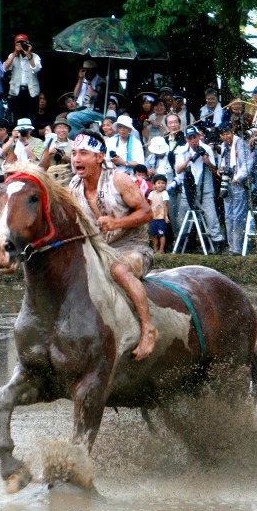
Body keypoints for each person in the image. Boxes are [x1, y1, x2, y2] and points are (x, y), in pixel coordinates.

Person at [65, 131, 158, 358]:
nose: (76, 159)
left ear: (99, 157)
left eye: (84, 153)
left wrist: (117, 222)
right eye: (74, 153)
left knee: (119, 269)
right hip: (97, 250)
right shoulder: (74, 186)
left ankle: (148, 329)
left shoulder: (119, 179)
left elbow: (147, 213)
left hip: (132, 247)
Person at [172, 125, 228, 251]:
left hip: (205, 188)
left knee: (211, 216)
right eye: (190, 138)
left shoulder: (207, 148)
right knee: (183, 217)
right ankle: (182, 242)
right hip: (188, 189)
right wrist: (188, 160)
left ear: (199, 136)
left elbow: (215, 170)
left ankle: (217, 242)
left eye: (195, 137)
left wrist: (207, 160)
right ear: (186, 139)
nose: (193, 140)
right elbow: (178, 170)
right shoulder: (182, 150)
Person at [216, 122, 251, 252]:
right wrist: (220, 169)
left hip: (238, 183)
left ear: (232, 132)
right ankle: (231, 246)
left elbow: (248, 164)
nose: (226, 136)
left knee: (238, 216)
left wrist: (238, 177)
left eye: (227, 133)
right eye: (223, 134)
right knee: (228, 216)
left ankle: (237, 248)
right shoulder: (224, 146)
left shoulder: (240, 143)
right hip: (226, 183)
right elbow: (224, 162)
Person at [4, 34, 42, 121]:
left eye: (23, 43)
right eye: (18, 44)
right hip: (16, 91)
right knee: (16, 117)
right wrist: (14, 53)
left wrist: (28, 55)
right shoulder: (12, 56)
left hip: (31, 92)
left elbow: (36, 69)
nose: (21, 45)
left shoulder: (35, 56)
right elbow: (4, 68)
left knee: (31, 117)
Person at [148, 173, 170, 254]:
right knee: (154, 234)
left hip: (161, 218)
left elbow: (165, 205)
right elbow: (150, 204)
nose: (161, 185)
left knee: (162, 234)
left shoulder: (165, 193)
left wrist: (166, 216)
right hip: (153, 218)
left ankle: (161, 249)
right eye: (159, 183)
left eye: (163, 183)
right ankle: (155, 248)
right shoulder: (152, 193)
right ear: (154, 184)